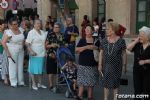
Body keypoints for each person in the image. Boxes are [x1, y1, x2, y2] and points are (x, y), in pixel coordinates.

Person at [98, 22, 127, 100]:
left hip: (117, 66)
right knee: (106, 84)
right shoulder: (104, 40)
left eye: (108, 29)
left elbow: (124, 53)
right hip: (106, 65)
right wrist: (100, 64)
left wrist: (124, 65)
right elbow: (101, 53)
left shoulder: (121, 41)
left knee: (116, 84)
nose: (106, 30)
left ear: (113, 30)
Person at [76, 26, 99, 100]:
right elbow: (76, 50)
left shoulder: (96, 40)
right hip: (82, 64)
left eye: (88, 29)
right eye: (86, 29)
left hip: (92, 65)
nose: (86, 30)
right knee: (81, 82)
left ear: (92, 31)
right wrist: (86, 47)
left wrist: (83, 48)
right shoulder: (82, 40)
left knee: (91, 83)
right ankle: (79, 96)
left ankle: (90, 97)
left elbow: (97, 48)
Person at [127, 26, 150, 99]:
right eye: (139, 35)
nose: (140, 37)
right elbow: (128, 48)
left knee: (147, 92)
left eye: (142, 36)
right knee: (137, 91)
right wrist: (136, 41)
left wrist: (145, 61)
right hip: (137, 71)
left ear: (148, 37)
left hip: (148, 72)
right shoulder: (137, 44)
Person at [2, 18, 25, 87]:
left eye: (17, 24)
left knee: (20, 65)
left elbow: (23, 39)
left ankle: (20, 81)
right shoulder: (9, 32)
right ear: (11, 25)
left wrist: (23, 45)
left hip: (21, 49)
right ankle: (13, 82)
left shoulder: (21, 30)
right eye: (14, 24)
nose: (16, 25)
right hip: (12, 49)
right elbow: (3, 42)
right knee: (12, 66)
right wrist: (8, 53)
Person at [26, 19, 47, 90]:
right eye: (37, 23)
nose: (39, 25)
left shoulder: (42, 32)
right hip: (34, 54)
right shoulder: (31, 32)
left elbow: (44, 43)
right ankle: (34, 83)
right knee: (33, 69)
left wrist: (46, 51)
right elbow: (27, 43)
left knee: (40, 69)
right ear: (34, 25)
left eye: (40, 23)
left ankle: (40, 83)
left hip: (42, 53)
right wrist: (31, 51)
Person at [45, 22, 65, 90]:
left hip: (60, 55)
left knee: (59, 70)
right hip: (51, 54)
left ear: (60, 28)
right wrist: (51, 45)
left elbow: (64, 44)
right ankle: (51, 85)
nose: (56, 29)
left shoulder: (62, 35)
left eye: (57, 27)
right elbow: (46, 45)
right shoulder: (50, 34)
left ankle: (57, 84)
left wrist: (63, 45)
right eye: (55, 27)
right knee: (51, 70)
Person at [0, 19, 9, 85]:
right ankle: (3, 77)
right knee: (1, 64)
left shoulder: (5, 32)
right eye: (3, 25)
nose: (5, 26)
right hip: (0, 50)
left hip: (4, 50)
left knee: (4, 64)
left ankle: (3, 77)